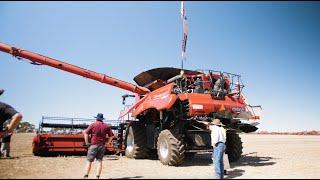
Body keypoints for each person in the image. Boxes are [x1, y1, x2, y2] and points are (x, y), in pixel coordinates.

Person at [83, 113, 114, 179]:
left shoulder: (92, 125)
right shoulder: (106, 126)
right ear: (102, 119)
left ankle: (86, 176)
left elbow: (85, 133)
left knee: (89, 161)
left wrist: (86, 142)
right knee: (99, 161)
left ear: (96, 118)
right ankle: (97, 177)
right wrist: (108, 143)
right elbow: (111, 136)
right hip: (102, 146)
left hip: (93, 145)